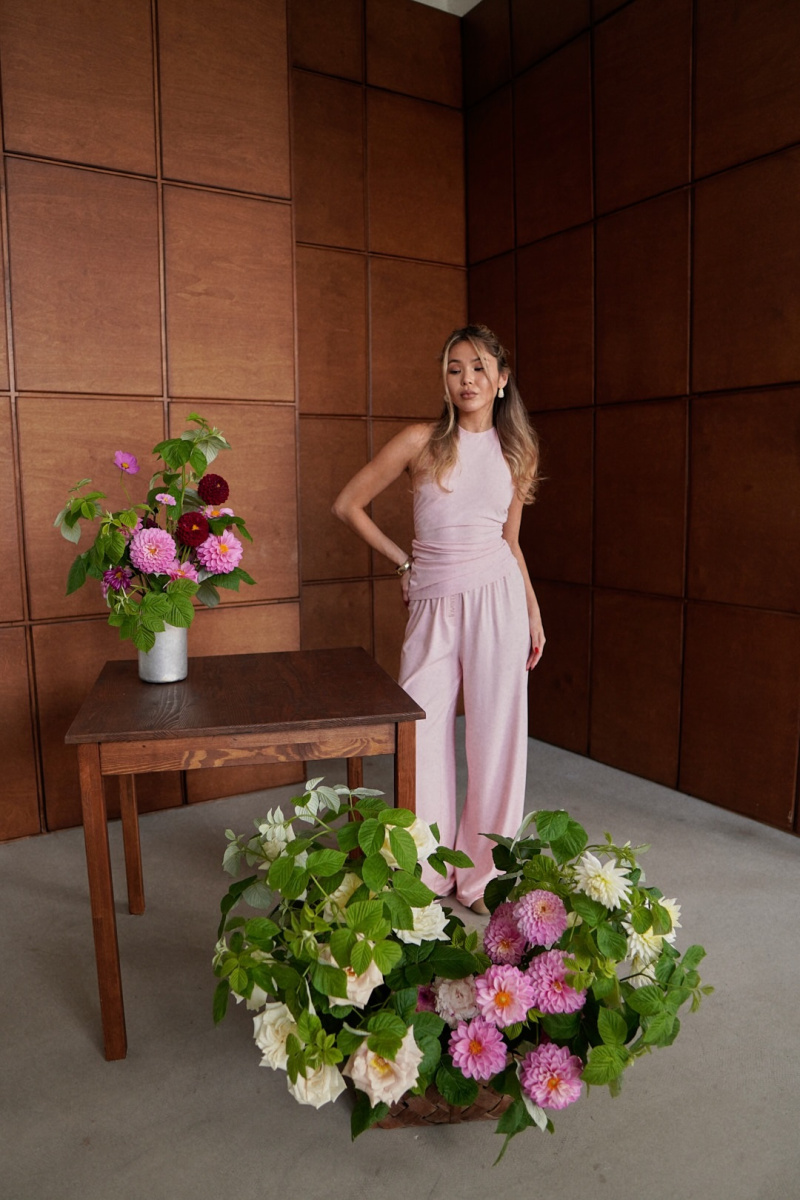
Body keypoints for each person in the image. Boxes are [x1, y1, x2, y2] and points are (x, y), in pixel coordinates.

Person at [332, 324, 544, 913]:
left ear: (501, 379)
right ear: (444, 381)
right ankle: (424, 874)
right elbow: (347, 504)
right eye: (455, 369)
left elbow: (511, 542)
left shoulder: (516, 453)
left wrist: (532, 610)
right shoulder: (419, 442)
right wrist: (404, 562)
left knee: (496, 738)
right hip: (433, 600)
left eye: (478, 368)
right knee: (420, 736)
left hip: (499, 599)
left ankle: (483, 880)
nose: (466, 379)